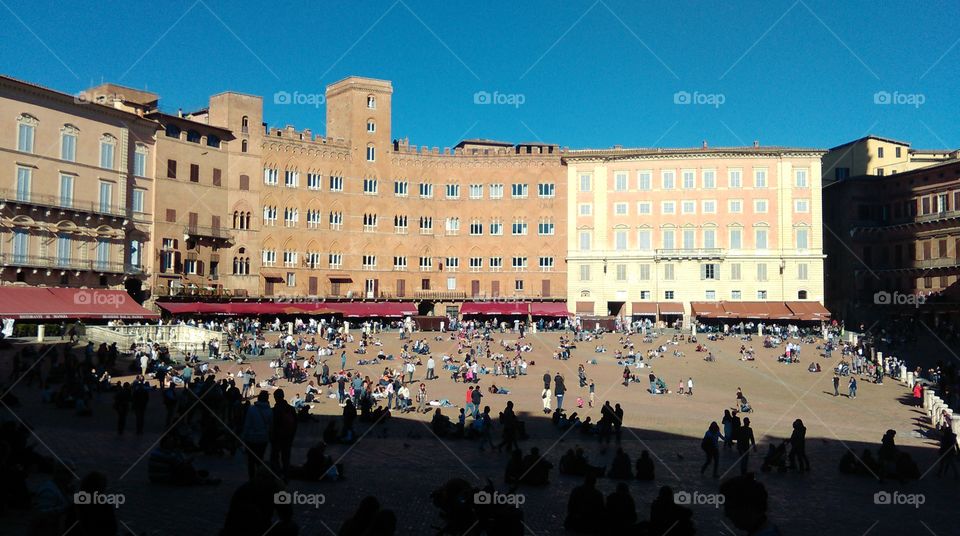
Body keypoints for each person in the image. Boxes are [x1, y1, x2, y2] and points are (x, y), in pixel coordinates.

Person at [241, 390, 273, 480]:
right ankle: (259, 479)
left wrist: (243, 437)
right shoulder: (270, 411)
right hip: (263, 439)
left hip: (251, 438)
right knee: (260, 459)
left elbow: (247, 424)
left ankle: (252, 479)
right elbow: (271, 426)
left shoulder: (251, 409)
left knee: (251, 461)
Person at [271, 389, 298, 476]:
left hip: (277, 437)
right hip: (288, 437)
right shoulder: (291, 409)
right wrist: (292, 436)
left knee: (274, 457)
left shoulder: (275, 410)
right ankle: (286, 475)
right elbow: (295, 424)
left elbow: (273, 424)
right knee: (286, 458)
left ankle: (277, 474)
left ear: (275, 398)